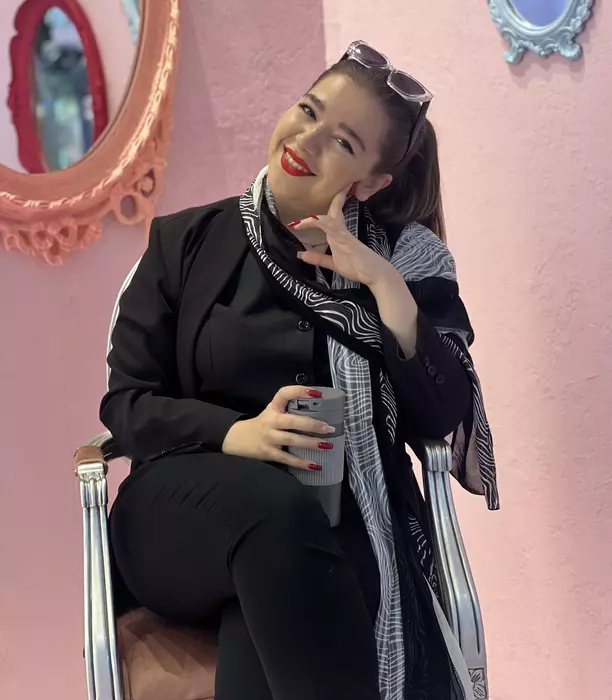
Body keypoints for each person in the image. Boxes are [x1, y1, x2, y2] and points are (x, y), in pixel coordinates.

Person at [102, 40, 499, 700]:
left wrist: (383, 284)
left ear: (370, 183)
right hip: (178, 518)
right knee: (277, 510)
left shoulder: (404, 260)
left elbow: (441, 415)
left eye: (342, 142)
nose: (306, 140)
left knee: (279, 592)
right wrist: (238, 434)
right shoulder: (184, 242)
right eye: (308, 110)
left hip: (334, 525)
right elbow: (128, 405)